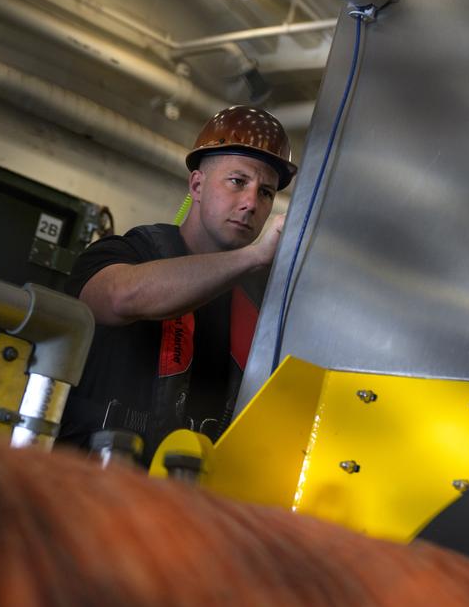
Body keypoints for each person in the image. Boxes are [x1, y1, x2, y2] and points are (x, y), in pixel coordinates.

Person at [57, 105, 296, 461]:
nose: (250, 203)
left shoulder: (260, 302)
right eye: (238, 181)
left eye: (265, 193)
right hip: (88, 485)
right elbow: (121, 297)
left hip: (182, 496)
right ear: (197, 185)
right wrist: (255, 257)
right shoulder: (125, 252)